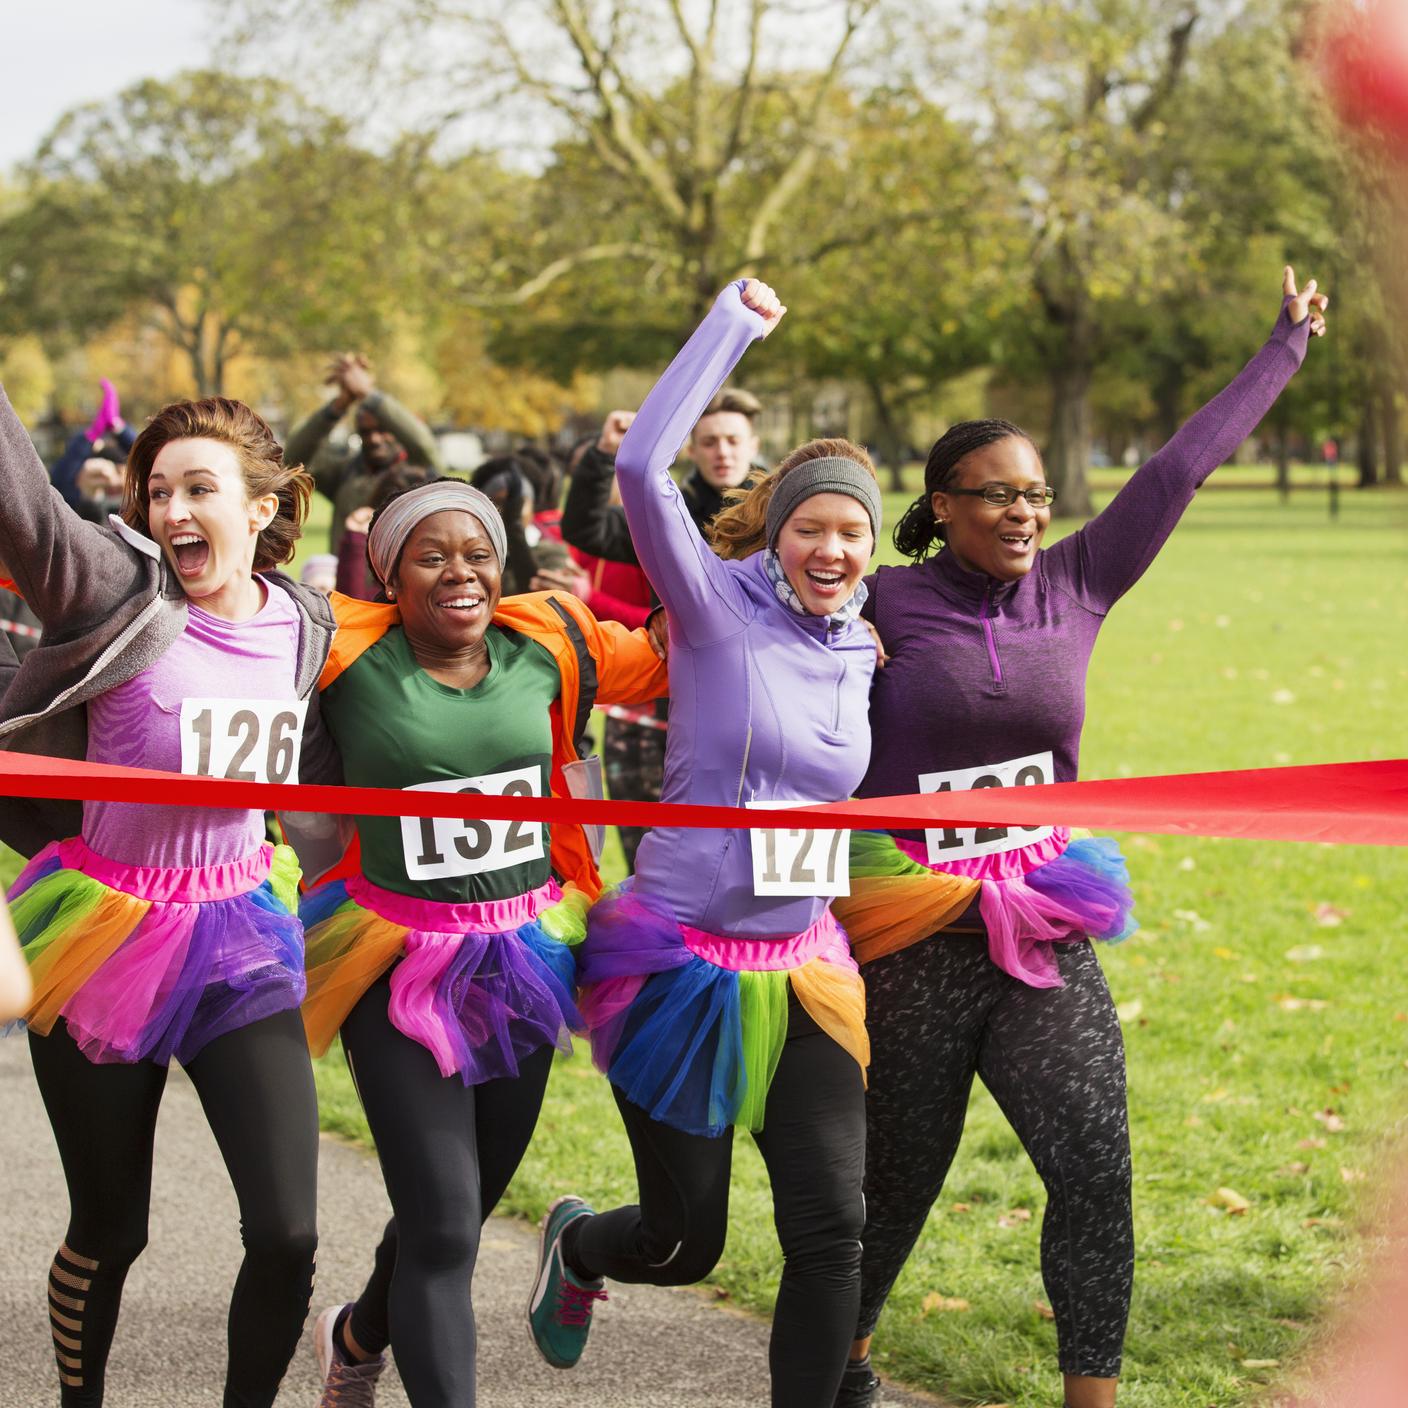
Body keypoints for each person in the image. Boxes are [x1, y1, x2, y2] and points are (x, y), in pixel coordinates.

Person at [829, 267, 1329, 1408]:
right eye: (994, 494)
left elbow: (1177, 469)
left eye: (1035, 494)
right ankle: (844, 1356)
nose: (1022, 512)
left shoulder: (1080, 581)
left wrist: (1282, 349)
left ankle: (1090, 1399)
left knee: (1093, 1163)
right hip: (908, 927)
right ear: (940, 504)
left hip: (1041, 915)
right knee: (894, 1178)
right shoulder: (881, 602)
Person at [527, 279, 881, 1408]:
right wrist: (732, 323)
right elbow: (639, 473)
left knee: (833, 1227)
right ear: (776, 534)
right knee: (688, 1245)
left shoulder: (865, 648)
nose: (832, 547)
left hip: (806, 965)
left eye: (852, 531)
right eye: (811, 526)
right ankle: (583, 1247)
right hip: (679, 963)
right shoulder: (716, 607)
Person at [0, 387, 340, 1407]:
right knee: (112, 1228)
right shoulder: (117, 587)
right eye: (159, 492)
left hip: (238, 928)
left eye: (201, 489)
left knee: (288, 1231)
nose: (175, 512)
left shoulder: (306, 623)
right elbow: (22, 503)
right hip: (102, 933)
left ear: (267, 505)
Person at [296, 478, 667, 1408]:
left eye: (477, 553)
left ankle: (357, 1332)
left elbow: (675, 652)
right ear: (390, 575)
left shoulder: (550, 641)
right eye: (431, 555)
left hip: (519, 961)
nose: (460, 572)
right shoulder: (338, 653)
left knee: (450, 1212)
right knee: (448, 1224)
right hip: (390, 960)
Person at [285, 353, 446, 552]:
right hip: (346, 580)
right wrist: (338, 405)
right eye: (366, 432)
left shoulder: (419, 474)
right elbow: (293, 459)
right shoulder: (347, 473)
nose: (374, 439)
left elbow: (424, 445)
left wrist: (368, 394)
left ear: (397, 429)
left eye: (382, 431)